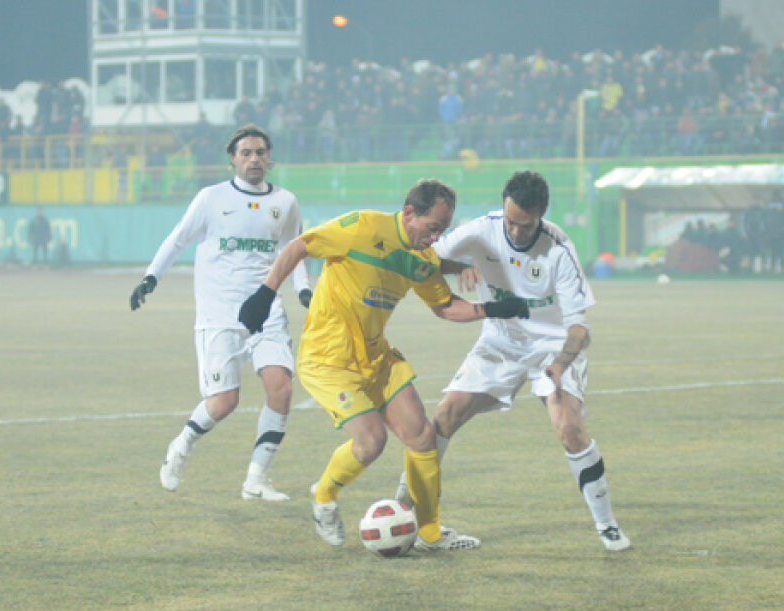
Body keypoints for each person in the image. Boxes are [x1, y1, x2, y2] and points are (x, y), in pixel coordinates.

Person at [237, 178, 529, 551]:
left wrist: (491, 309)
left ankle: (429, 534)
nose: (436, 237)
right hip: (328, 360)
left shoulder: (422, 259)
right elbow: (301, 246)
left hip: (376, 358)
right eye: (432, 227)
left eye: (443, 229)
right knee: (372, 441)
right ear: (409, 213)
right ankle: (324, 495)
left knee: (423, 436)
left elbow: (444, 307)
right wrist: (265, 292)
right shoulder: (361, 226)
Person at [391, 171, 632, 552]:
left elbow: (579, 330)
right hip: (500, 340)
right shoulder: (480, 230)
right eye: (511, 222)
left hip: (552, 346)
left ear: (542, 214)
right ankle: (404, 512)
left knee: (568, 426)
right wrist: (457, 267)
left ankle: (608, 526)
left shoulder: (559, 250)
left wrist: (559, 364)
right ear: (503, 206)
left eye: (526, 225)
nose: (516, 233)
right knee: (445, 415)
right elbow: (423, 257)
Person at [130, 124, 310, 501]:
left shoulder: (286, 202)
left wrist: (304, 289)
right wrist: (150, 278)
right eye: (246, 152)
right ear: (233, 159)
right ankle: (181, 446)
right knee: (224, 403)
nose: (254, 159)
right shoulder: (211, 199)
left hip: (267, 311)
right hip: (220, 317)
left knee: (282, 389)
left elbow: (294, 250)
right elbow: (178, 238)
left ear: (269, 157)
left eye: (260, 152)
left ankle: (256, 479)